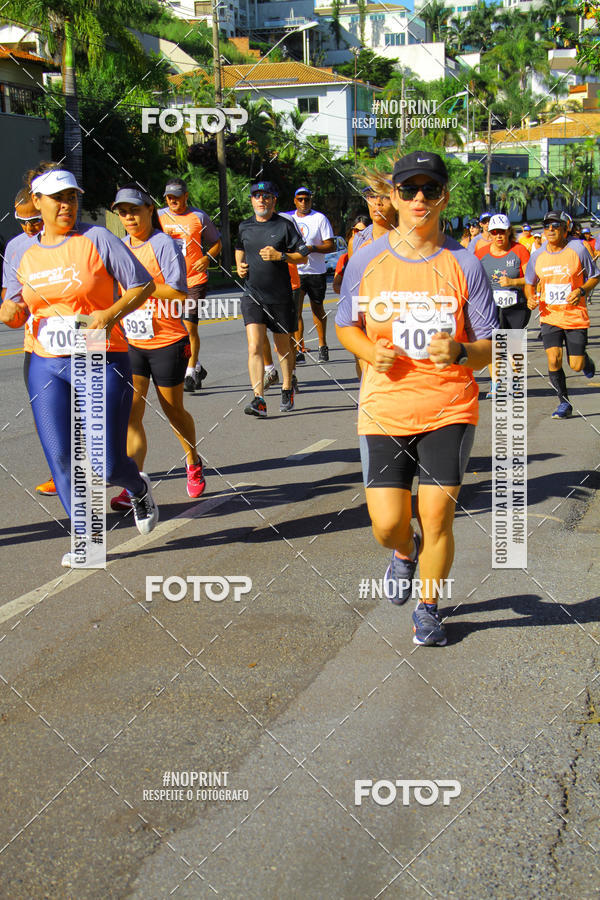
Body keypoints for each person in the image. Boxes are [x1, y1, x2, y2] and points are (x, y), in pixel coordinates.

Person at [335, 150, 497, 647]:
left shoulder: (464, 263)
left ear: (444, 196)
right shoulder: (367, 258)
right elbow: (346, 325)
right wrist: (369, 352)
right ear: (394, 197)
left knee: (437, 515)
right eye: (409, 190)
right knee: (387, 525)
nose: (420, 198)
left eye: (430, 189)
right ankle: (404, 553)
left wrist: (462, 350)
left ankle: (428, 608)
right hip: (384, 408)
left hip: (449, 407)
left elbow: (492, 346)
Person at [0, 164, 159, 566]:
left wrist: (108, 314)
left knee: (104, 463)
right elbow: (19, 308)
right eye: (58, 198)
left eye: (72, 197)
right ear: (37, 203)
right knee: (61, 457)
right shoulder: (23, 251)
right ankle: (87, 541)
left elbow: (142, 284)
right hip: (45, 361)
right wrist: (10, 310)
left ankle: (136, 487)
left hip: (99, 352)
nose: (67, 205)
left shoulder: (96, 238)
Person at [110, 185, 206, 508]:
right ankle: (134, 483)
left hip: (167, 341)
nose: (129, 217)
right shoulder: (120, 246)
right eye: (123, 212)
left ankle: (193, 462)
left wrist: (142, 290)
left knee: (172, 410)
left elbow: (179, 292)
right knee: (131, 414)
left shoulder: (162, 244)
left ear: (150, 210)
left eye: (134, 210)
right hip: (133, 342)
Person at [235, 180, 309, 416]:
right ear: (251, 200)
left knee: (282, 348)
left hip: (280, 296)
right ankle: (259, 399)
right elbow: (239, 247)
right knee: (254, 345)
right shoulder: (245, 226)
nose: (261, 200)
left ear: (274, 200)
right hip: (252, 295)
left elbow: (303, 256)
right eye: (257, 196)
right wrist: (239, 265)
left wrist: (281, 255)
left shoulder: (285, 226)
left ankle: (287, 386)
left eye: (266, 196)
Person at [1, 187, 55, 496]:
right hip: (36, 343)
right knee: (44, 410)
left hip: (80, 340)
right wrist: (10, 310)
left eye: (34, 221)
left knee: (85, 410)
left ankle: (103, 464)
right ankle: (60, 471)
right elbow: (12, 298)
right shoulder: (15, 247)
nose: (29, 228)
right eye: (23, 222)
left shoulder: (79, 239)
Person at [525, 209, 598, 418]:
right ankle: (564, 403)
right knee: (553, 359)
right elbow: (530, 283)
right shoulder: (538, 255)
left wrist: (582, 290)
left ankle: (585, 359)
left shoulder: (578, 250)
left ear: (566, 229)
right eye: (547, 225)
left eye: (555, 226)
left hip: (575, 315)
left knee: (575, 365)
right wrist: (530, 297)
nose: (550, 229)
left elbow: (595, 276)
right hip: (550, 316)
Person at [159, 178, 221, 392]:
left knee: (189, 326)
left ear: (186, 195)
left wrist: (207, 259)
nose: (173, 200)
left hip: (194, 280)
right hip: (168, 282)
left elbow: (216, 243)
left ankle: (189, 374)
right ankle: (198, 366)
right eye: (169, 197)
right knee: (175, 328)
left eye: (177, 196)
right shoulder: (158, 217)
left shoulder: (199, 217)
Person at [476, 213, 531, 397]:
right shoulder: (481, 254)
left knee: (513, 345)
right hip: (491, 306)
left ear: (509, 232)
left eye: (502, 232)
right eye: (495, 232)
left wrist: (513, 282)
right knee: (494, 345)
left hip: (516, 306)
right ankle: (496, 384)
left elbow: (532, 279)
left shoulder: (520, 250)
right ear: (489, 233)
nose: (498, 235)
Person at [284, 187, 334, 363]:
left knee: (317, 309)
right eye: (300, 199)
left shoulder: (319, 218)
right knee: (295, 312)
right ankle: (299, 348)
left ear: (311, 201)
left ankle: (322, 345)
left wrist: (312, 248)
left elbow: (331, 246)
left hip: (316, 272)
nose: (303, 202)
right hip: (296, 272)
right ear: (294, 201)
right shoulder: (287, 219)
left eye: (307, 199)